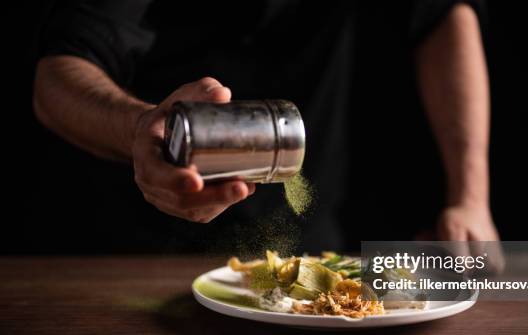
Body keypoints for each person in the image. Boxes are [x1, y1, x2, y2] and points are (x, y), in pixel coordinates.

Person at [33, 0, 499, 254]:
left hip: (305, 247)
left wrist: (471, 198)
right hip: (129, 252)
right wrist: (140, 128)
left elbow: (442, 16)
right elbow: (56, 77)